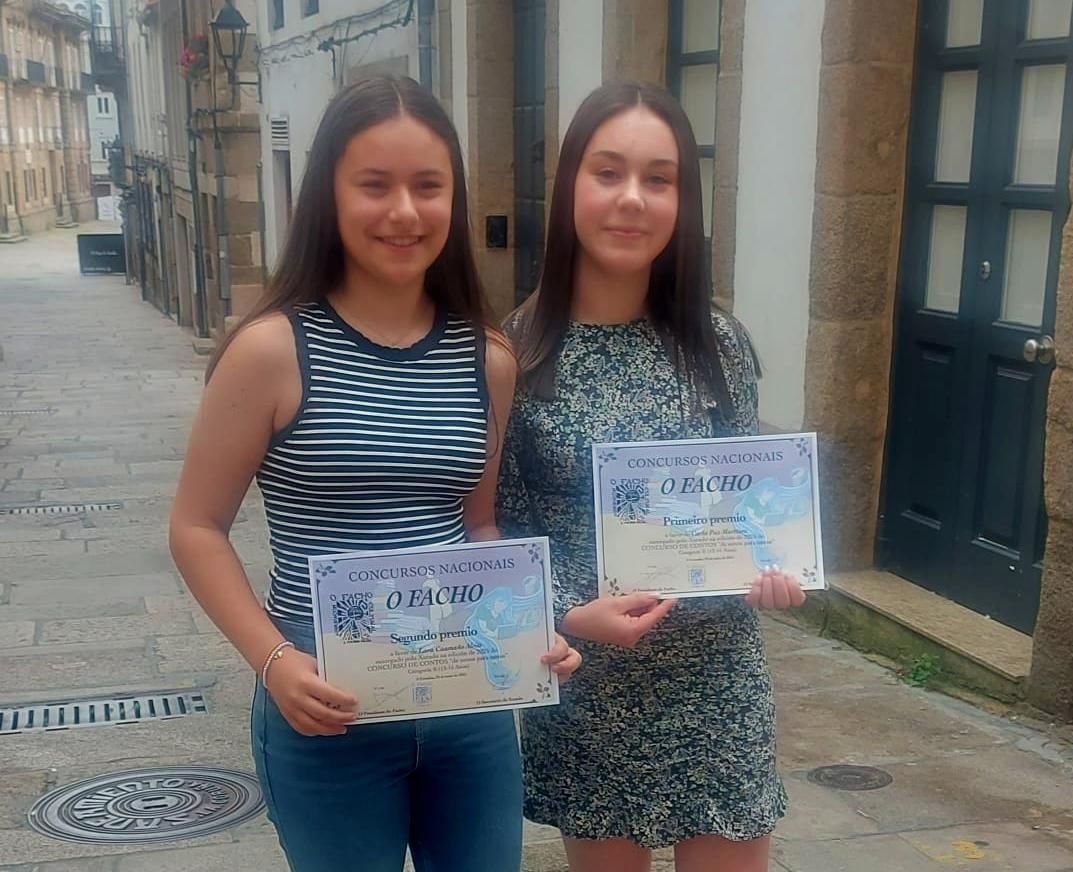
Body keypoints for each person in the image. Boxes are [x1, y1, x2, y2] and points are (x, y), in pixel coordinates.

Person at [169, 76, 580, 872]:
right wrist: (273, 661)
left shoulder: (486, 358)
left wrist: (534, 624)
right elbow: (195, 527)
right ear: (330, 193)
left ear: (453, 201)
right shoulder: (272, 351)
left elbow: (478, 525)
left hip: (470, 705)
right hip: (326, 707)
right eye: (374, 185)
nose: (404, 212)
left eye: (427, 187)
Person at [497, 81, 806, 872]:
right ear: (570, 185)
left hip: (717, 679)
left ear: (682, 200)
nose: (631, 199)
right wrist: (570, 614)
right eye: (607, 172)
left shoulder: (717, 344)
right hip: (593, 688)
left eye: (658, 179)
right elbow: (498, 531)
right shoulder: (517, 352)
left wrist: (776, 570)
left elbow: (755, 504)